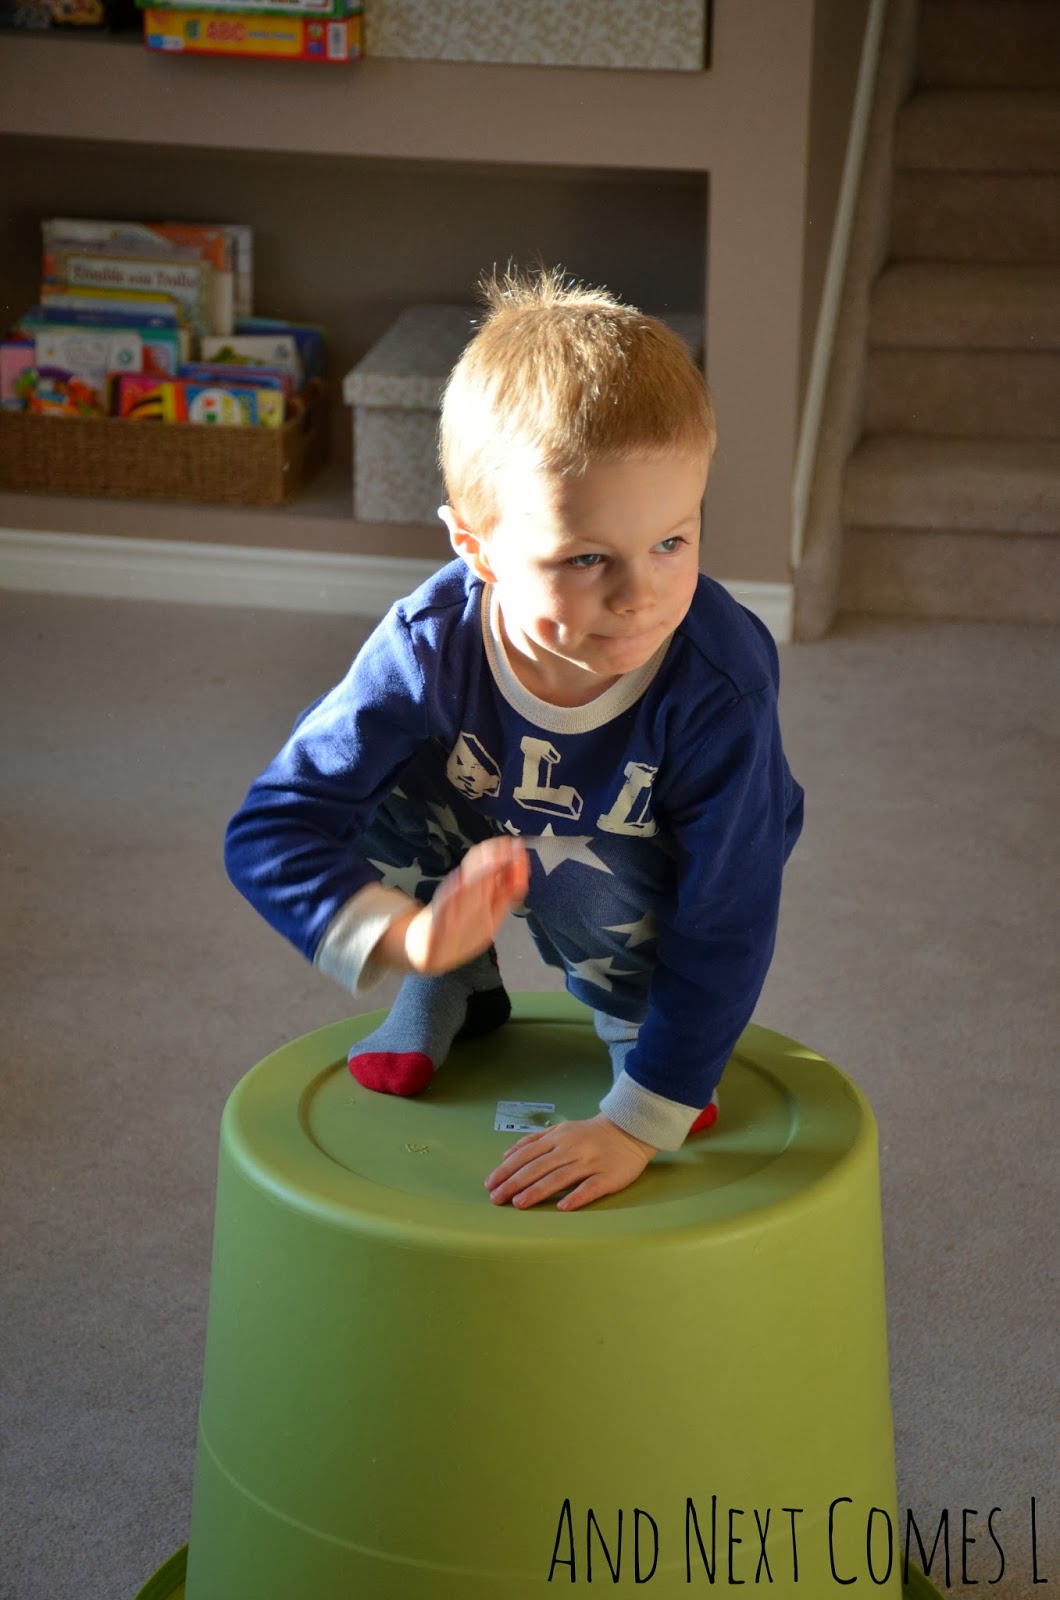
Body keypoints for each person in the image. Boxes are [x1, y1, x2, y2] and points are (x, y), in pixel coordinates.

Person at [224, 267, 804, 1212]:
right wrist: (410, 936)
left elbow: (730, 909)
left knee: (606, 900)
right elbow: (274, 826)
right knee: (372, 770)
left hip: (643, 873)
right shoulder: (427, 646)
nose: (641, 595)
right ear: (475, 547)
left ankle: (636, 1020)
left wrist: (641, 1119)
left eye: (673, 541)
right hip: (474, 842)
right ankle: (454, 982)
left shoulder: (719, 681)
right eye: (587, 557)